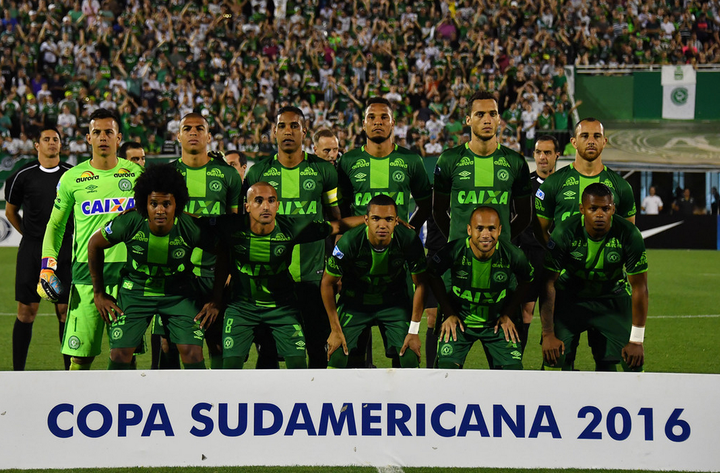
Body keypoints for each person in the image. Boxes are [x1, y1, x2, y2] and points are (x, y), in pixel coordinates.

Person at [210, 182, 365, 369]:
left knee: (298, 365)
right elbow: (193, 223)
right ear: (247, 206)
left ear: (278, 205)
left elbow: (337, 226)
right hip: (242, 308)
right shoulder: (230, 226)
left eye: (271, 200)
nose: (266, 206)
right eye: (258, 201)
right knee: (230, 368)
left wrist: (373, 219)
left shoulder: (291, 227)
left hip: (282, 308)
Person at [39, 108, 143, 370]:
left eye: (109, 132)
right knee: (80, 358)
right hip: (86, 277)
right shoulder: (72, 178)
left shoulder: (137, 175)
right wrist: (47, 265)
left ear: (119, 138)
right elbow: (55, 224)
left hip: (129, 277)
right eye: (97, 132)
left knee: (125, 355)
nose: (103, 137)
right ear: (88, 138)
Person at [88, 164, 219, 369]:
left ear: (177, 204)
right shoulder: (130, 222)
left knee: (192, 353)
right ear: (144, 204)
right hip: (136, 291)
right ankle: (119, 399)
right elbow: (94, 244)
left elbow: (225, 253)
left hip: (179, 293)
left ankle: (198, 400)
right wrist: (99, 293)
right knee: (120, 354)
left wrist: (215, 300)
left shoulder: (190, 227)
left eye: (166, 204)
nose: (160, 210)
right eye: (153, 204)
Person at [244, 106, 341, 369]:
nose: (288, 131)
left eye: (294, 126)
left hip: (315, 277)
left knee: (317, 348)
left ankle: (314, 404)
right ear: (273, 132)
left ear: (304, 131)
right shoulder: (258, 174)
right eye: (282, 126)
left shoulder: (324, 171)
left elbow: (337, 222)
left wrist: (337, 267)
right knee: (269, 353)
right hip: (270, 278)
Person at [540, 183, 648, 371]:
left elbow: (640, 287)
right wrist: (548, 333)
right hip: (571, 298)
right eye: (593, 209)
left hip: (612, 298)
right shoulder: (564, 232)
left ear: (613, 209)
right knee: (554, 360)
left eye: (605, 209)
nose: (600, 214)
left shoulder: (629, 234)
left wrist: (637, 340)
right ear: (582, 209)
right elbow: (548, 282)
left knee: (633, 362)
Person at [322, 194, 428, 369]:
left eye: (388, 219)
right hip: (356, 303)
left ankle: (405, 396)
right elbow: (327, 283)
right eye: (376, 218)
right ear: (366, 220)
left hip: (393, 303)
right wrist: (334, 329)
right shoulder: (349, 242)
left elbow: (422, 284)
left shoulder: (408, 240)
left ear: (396, 221)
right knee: (337, 353)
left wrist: (414, 331)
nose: (382, 225)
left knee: (409, 355)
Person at [172, 112, 243, 369]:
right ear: (178, 135)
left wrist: (230, 273)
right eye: (187, 128)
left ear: (209, 136)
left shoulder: (228, 175)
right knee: (171, 345)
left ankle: (218, 397)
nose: (193, 132)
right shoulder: (168, 174)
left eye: (199, 128)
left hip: (216, 273)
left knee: (216, 342)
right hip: (176, 274)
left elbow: (234, 228)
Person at [429, 206, 533, 369]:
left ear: (499, 230)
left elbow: (527, 279)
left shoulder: (513, 254)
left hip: (496, 324)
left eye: (491, 228)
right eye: (480, 228)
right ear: (469, 230)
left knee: (514, 373)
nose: (486, 235)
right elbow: (432, 274)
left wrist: (508, 313)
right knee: (446, 371)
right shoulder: (454, 250)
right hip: (460, 323)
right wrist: (449, 313)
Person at [5, 127, 73, 370]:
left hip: (65, 248)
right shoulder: (21, 176)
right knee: (26, 311)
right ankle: (18, 373)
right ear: (37, 145)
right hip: (32, 250)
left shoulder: (72, 175)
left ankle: (71, 373)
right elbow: (11, 212)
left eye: (56, 139)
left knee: (65, 311)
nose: (52, 143)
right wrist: (31, 235)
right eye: (47, 139)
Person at [433, 90, 532, 243]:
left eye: (492, 114)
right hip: (461, 259)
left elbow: (524, 215)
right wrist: (457, 243)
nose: (487, 120)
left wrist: (501, 240)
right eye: (480, 114)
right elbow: (439, 211)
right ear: (468, 120)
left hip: (500, 258)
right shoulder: (448, 160)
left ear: (499, 119)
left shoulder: (516, 162)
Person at [534, 117, 636, 246]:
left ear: (604, 142)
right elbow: (540, 231)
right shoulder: (552, 183)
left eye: (597, 136)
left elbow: (629, 234)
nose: (591, 141)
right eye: (585, 136)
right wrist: (556, 253)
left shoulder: (622, 186)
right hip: (566, 266)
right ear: (574, 142)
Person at [338, 97, 432, 228]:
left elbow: (426, 205)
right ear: (363, 124)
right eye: (371, 117)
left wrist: (410, 232)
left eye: (384, 117)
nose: (378, 122)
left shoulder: (411, 160)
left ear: (392, 123)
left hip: (398, 247)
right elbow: (342, 208)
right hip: (359, 246)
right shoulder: (348, 160)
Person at [513, 135, 560, 352]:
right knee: (526, 310)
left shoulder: (564, 185)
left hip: (556, 258)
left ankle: (549, 365)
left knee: (553, 313)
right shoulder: (524, 187)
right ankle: (516, 362)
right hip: (530, 256)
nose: (543, 157)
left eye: (548, 152)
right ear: (534, 155)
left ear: (556, 155)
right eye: (539, 152)